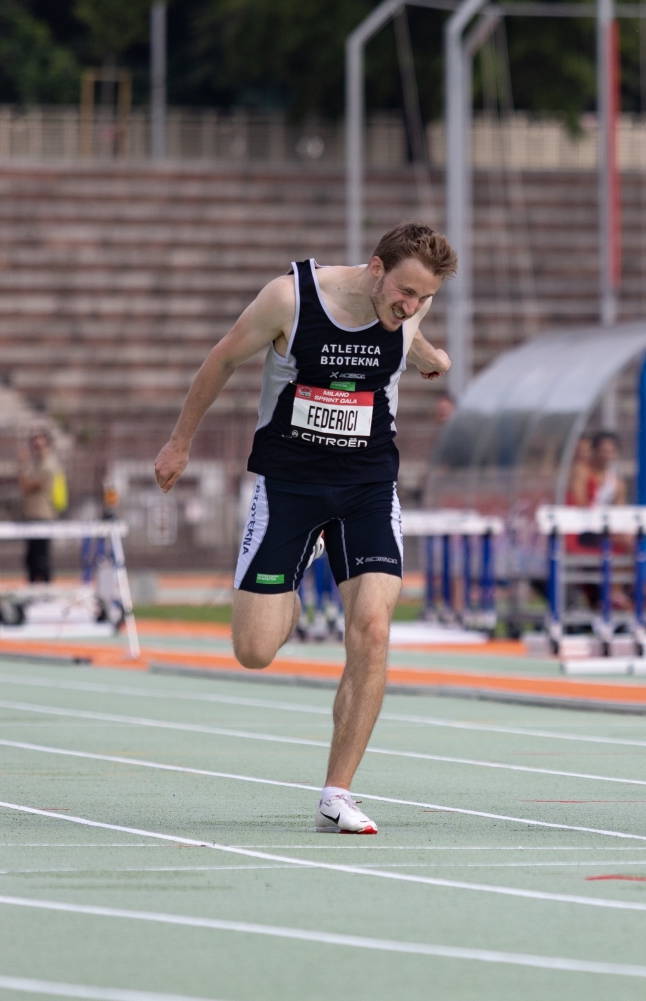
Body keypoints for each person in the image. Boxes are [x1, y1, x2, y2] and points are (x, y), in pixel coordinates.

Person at [154, 222, 455, 835]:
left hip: (367, 487)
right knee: (255, 650)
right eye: (404, 293)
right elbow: (222, 359)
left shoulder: (410, 307)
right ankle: (299, 567)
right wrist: (180, 442)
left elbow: (412, 335)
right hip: (288, 485)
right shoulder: (290, 299)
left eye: (424, 299)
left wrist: (430, 356)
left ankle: (337, 792)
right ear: (375, 269)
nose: (412, 306)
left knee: (371, 628)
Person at [17, 433, 66, 584]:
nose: (36, 450)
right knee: (32, 558)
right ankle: (35, 589)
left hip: (42, 516)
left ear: (48, 447)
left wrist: (22, 466)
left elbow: (27, 486)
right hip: (35, 515)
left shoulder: (48, 466)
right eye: (34, 446)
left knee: (40, 559)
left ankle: (44, 590)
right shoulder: (39, 464)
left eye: (39, 446)